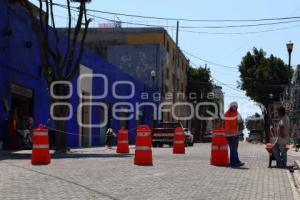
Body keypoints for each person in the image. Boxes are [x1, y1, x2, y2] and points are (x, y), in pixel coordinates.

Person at [224, 102, 245, 167]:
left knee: (233, 149)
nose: (236, 108)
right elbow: (240, 123)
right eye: (236, 107)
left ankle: (236, 161)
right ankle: (233, 163)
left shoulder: (225, 114)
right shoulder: (236, 114)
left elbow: (223, 123)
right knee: (234, 149)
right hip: (234, 134)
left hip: (227, 134)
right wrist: (241, 133)